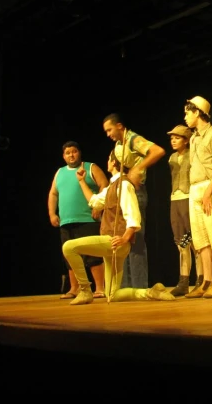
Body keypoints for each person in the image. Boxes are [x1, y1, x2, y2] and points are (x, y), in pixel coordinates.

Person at [62, 150, 175, 305]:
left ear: (114, 162)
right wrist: (82, 181)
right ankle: (150, 292)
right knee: (112, 294)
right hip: (116, 243)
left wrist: (125, 237)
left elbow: (133, 216)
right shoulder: (113, 186)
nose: (107, 161)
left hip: (114, 241)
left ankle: (85, 289)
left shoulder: (124, 185)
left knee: (69, 247)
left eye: (109, 158)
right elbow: (95, 202)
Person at [102, 113, 166, 289]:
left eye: (109, 129)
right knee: (121, 241)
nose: (108, 134)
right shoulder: (118, 145)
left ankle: (138, 288)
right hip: (123, 193)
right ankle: (122, 289)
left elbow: (158, 151)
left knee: (135, 240)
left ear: (120, 126)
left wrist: (138, 168)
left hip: (135, 193)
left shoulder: (132, 139)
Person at [182, 96, 212, 299]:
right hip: (195, 190)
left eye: (187, 112)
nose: (185, 117)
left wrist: (208, 192)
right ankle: (206, 282)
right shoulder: (193, 138)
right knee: (201, 241)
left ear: (197, 112)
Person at [48, 141, 108, 299]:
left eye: (74, 151)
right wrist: (52, 214)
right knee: (69, 256)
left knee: (93, 255)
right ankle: (75, 288)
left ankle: (100, 288)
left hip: (88, 219)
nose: (71, 155)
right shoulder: (60, 172)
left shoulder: (90, 167)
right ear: (63, 156)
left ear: (79, 152)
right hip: (66, 221)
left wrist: (98, 206)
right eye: (68, 153)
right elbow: (53, 194)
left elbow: (104, 185)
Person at [166, 124, 204, 296]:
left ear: (186, 140)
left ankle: (202, 279)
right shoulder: (172, 158)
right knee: (182, 243)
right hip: (176, 199)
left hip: (190, 198)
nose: (173, 140)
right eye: (172, 138)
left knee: (196, 241)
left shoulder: (193, 156)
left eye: (177, 137)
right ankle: (183, 281)